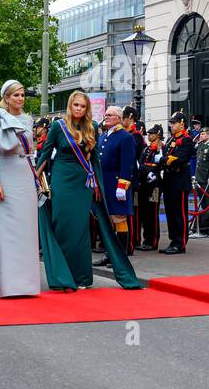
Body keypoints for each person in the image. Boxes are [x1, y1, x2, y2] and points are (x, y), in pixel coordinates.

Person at [36, 91, 144, 288]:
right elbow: (45, 154)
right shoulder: (58, 127)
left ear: (87, 108)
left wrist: (97, 183)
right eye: (76, 105)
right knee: (62, 225)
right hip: (62, 179)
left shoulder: (92, 127)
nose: (78, 109)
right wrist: (35, 178)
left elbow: (94, 159)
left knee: (80, 229)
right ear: (70, 106)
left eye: (82, 106)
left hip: (83, 182)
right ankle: (62, 276)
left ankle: (81, 277)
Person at [0, 80, 41, 297]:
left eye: (22, 95)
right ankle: (8, 285)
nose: (20, 99)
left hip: (24, 173)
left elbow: (30, 151)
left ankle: (27, 285)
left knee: (27, 233)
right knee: (7, 234)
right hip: (6, 174)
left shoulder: (28, 119)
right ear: (7, 97)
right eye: (16, 95)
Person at [95, 105, 136, 267]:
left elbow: (127, 164)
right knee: (108, 219)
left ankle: (121, 255)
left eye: (110, 115)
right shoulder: (104, 135)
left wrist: (122, 185)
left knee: (119, 218)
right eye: (105, 115)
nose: (106, 117)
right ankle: (109, 254)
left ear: (119, 118)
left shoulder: (125, 137)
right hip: (105, 182)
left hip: (118, 183)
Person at [159, 111, 194, 254]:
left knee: (179, 212)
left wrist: (168, 160)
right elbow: (165, 158)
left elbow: (181, 158)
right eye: (171, 123)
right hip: (169, 179)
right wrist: (167, 160)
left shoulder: (187, 139)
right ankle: (173, 240)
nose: (172, 125)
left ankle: (180, 242)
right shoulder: (170, 140)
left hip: (179, 180)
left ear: (182, 124)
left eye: (174, 123)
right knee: (170, 212)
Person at [135, 124, 165, 250]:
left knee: (152, 213)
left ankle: (152, 241)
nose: (149, 136)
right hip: (144, 181)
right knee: (144, 213)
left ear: (158, 134)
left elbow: (160, 164)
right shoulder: (147, 148)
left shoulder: (161, 148)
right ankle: (146, 239)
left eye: (152, 134)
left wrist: (154, 171)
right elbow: (142, 161)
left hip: (154, 183)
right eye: (149, 134)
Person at [122, 105, 146, 252]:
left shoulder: (135, 136)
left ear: (130, 118)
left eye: (124, 118)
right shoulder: (127, 134)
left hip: (131, 176)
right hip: (125, 175)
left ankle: (130, 243)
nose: (122, 121)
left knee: (129, 212)